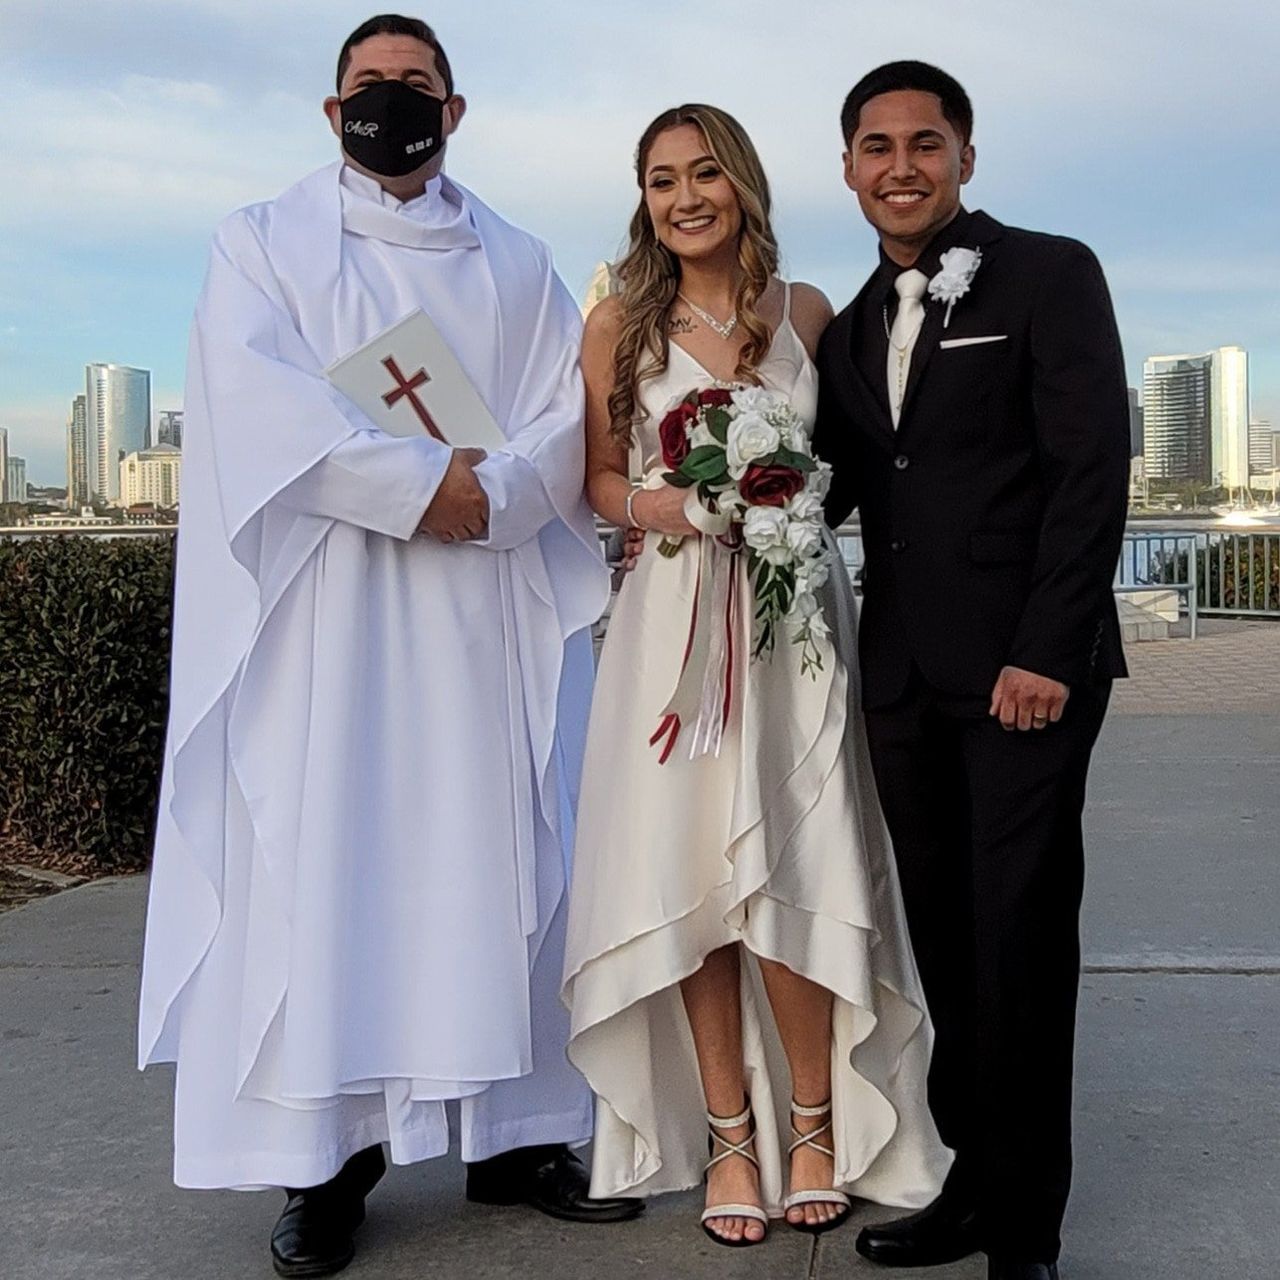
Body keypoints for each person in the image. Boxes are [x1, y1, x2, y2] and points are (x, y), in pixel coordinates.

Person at [137, 15, 640, 1278]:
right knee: (334, 863)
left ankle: (517, 1137)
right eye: (369, 87)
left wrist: (504, 496)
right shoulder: (261, 242)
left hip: (480, 618)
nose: (391, 104)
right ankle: (329, 1166)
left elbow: (556, 422)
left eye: (415, 87)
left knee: (502, 852)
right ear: (330, 111)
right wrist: (425, 487)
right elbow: (263, 402)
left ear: (454, 111)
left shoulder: (517, 260)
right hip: (333, 616)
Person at [561, 103, 951, 1250]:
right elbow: (592, 478)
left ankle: (818, 1122)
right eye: (659, 178)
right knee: (697, 875)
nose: (683, 197)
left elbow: (859, 465)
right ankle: (730, 1135)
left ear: (741, 183)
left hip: (796, 625)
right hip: (671, 624)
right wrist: (676, 503)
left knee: (792, 859)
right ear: (642, 197)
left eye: (703, 174)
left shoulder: (810, 314)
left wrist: (785, 505)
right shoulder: (615, 324)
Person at [812, 61, 1130, 1280]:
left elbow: (1087, 472)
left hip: (1019, 684)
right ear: (846, 167)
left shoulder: (1050, 273)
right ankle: (971, 1184)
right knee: (944, 941)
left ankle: (1026, 1235)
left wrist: (1043, 652)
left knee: (1020, 944)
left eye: (924, 143)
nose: (900, 166)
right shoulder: (847, 325)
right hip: (899, 682)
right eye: (876, 146)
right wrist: (705, 506)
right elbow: (838, 487)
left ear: (963, 156)